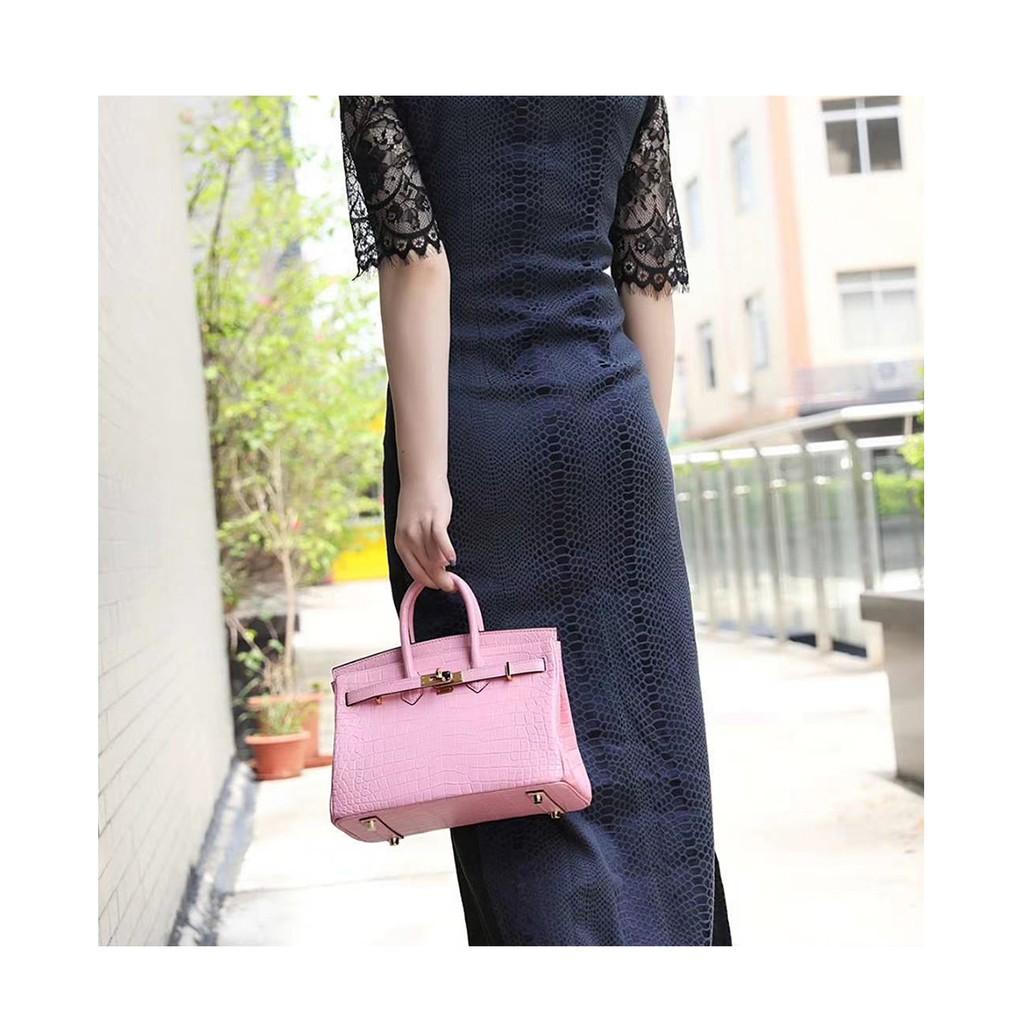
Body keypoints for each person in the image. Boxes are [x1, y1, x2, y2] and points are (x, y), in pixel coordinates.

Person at [338, 95, 732, 946]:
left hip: (471, 441)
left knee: (504, 758)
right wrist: (641, 453)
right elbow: (647, 271)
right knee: (645, 745)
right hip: (614, 427)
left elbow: (418, 263)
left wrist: (424, 476)